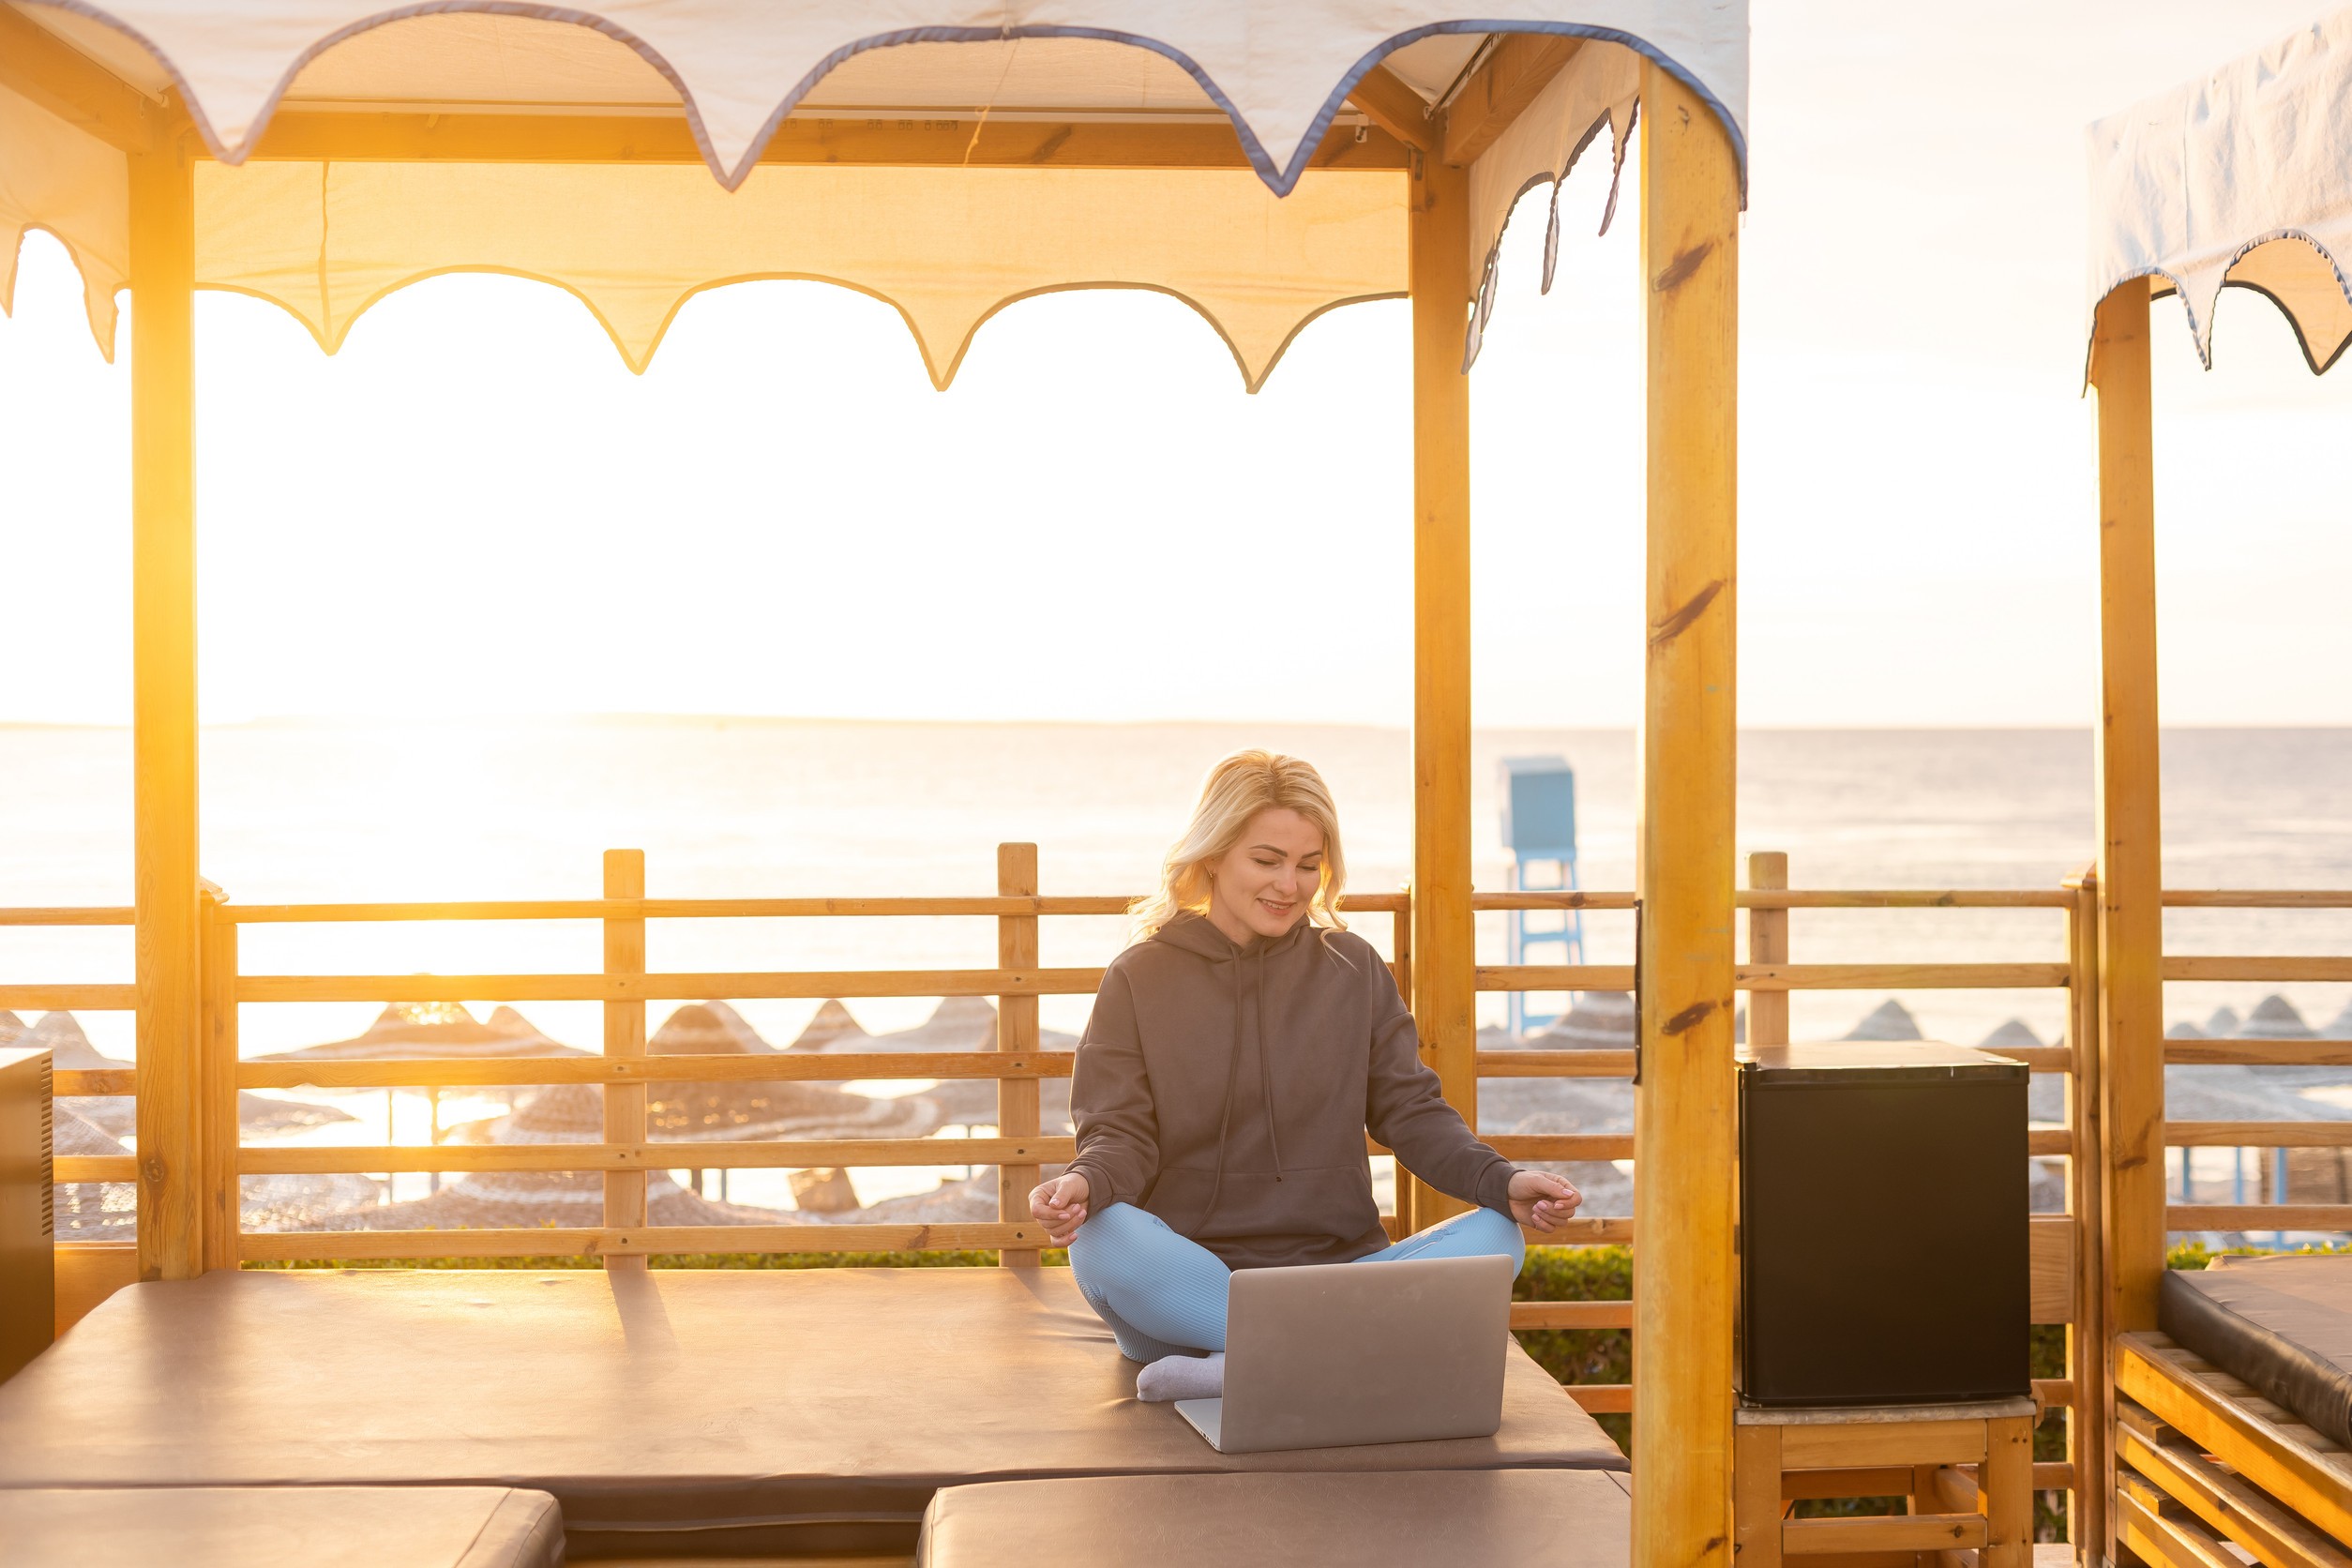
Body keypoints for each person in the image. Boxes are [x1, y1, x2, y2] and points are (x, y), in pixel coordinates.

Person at [1032, 749, 1581, 1403]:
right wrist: (1085, 1182)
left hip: (1338, 1274)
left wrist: (1501, 1179)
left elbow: (1412, 1111)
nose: (1288, 886)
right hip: (1191, 1284)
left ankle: (1245, 1367)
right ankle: (1320, 1361)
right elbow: (1121, 1133)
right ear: (1213, 855)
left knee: (1496, 1235)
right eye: (1266, 860)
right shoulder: (1138, 978)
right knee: (1102, 1239)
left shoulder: (1353, 968)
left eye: (1308, 865)